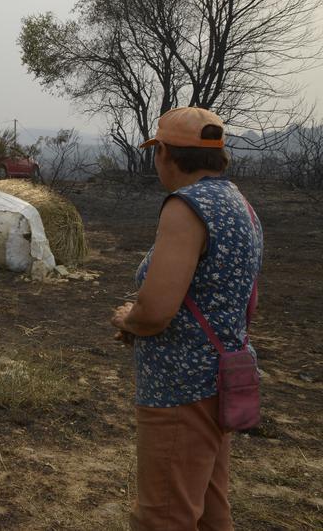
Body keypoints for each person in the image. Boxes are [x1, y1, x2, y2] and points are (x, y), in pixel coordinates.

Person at [110, 107, 263, 530]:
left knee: (165, 515)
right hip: (221, 380)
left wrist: (130, 319)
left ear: (165, 154)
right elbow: (235, 298)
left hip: (179, 388)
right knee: (210, 511)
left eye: (157, 151)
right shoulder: (239, 205)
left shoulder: (186, 208)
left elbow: (156, 311)